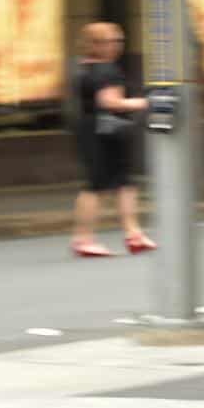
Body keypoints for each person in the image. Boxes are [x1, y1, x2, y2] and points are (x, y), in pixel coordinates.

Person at [69, 22, 156, 257]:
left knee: (123, 183)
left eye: (120, 41)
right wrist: (147, 103)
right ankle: (84, 238)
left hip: (93, 130)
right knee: (97, 185)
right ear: (96, 45)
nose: (118, 46)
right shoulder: (107, 70)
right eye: (112, 41)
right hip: (106, 132)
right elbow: (110, 102)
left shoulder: (84, 68)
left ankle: (133, 233)